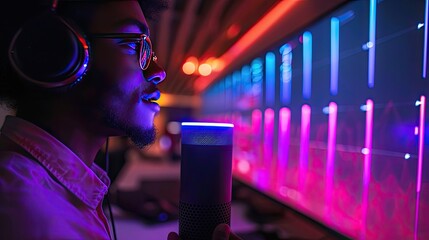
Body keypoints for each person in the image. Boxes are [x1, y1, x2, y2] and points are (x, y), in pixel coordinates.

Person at [0, 0, 241, 239]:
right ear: (58, 54)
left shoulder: (57, 194)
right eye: (131, 44)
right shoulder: (27, 212)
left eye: (149, 52)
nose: (159, 71)